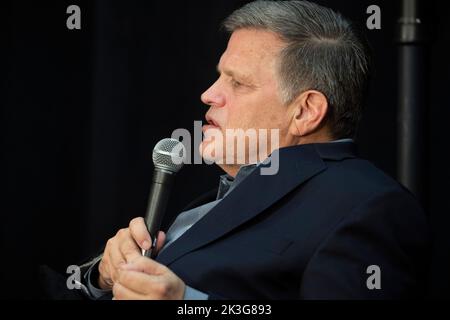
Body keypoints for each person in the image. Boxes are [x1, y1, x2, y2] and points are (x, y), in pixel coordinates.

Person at [77, 0, 429, 299]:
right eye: (219, 76)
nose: (209, 94)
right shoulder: (223, 195)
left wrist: (189, 302)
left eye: (238, 83)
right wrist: (102, 277)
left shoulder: (369, 205)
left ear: (305, 112)